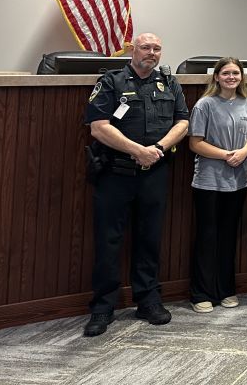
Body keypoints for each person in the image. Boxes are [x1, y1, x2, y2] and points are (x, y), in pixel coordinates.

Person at [82, 32, 189, 337]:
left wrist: (158, 149)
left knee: (150, 238)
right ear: (132, 50)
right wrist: (137, 151)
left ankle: (148, 300)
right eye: (145, 47)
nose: (151, 52)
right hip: (115, 173)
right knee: (108, 241)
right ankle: (103, 307)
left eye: (157, 48)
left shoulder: (169, 83)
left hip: (154, 173)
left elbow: (183, 121)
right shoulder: (112, 82)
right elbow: (98, 127)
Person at [188, 57, 247, 313]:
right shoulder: (204, 105)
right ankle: (201, 293)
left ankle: (226, 289)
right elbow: (195, 143)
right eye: (226, 73)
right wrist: (226, 155)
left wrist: (244, 151)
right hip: (209, 181)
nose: (231, 77)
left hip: (238, 180)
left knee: (229, 237)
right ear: (216, 76)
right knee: (207, 237)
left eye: (236, 73)